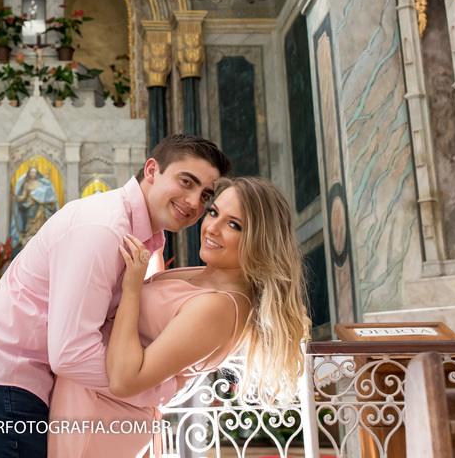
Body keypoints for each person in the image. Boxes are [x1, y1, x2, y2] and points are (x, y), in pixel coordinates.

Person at [0, 134, 232, 458]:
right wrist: (153, 389)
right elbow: (71, 353)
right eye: (186, 182)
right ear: (152, 171)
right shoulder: (105, 229)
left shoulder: (147, 236)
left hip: (27, 382)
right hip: (4, 381)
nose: (195, 202)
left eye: (205, 194)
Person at [47, 176, 307, 457]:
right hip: (84, 405)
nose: (212, 228)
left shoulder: (219, 307)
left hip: (99, 422)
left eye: (234, 225)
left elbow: (125, 380)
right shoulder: (206, 276)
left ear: (260, 240)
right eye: (213, 212)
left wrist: (132, 287)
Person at [9, 164, 58, 248]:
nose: (33, 174)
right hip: (30, 207)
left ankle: (40, 236)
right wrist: (17, 198)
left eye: (35, 172)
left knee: (40, 223)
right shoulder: (26, 183)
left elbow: (46, 194)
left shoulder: (41, 182)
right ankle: (30, 235)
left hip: (40, 208)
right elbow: (24, 195)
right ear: (29, 173)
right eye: (32, 172)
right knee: (30, 224)